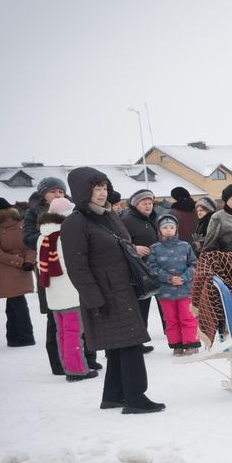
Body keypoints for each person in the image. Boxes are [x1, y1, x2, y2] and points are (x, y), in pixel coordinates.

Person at [60, 167, 164, 414]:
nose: (101, 193)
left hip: (122, 288)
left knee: (120, 344)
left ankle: (113, 395)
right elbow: (77, 267)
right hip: (104, 295)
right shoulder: (75, 223)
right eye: (96, 189)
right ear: (82, 192)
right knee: (130, 344)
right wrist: (94, 299)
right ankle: (136, 398)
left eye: (104, 187)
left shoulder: (108, 216)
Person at [23, 176, 85, 374]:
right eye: (53, 191)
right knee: (57, 320)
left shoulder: (72, 210)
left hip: (65, 273)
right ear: (43, 194)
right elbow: (28, 237)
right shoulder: (33, 213)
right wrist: (50, 239)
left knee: (76, 321)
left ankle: (84, 358)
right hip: (50, 270)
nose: (57, 194)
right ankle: (60, 363)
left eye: (60, 191)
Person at [36, 197, 97, 381]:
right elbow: (75, 263)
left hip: (54, 292)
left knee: (62, 332)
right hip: (70, 291)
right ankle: (77, 370)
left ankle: (68, 365)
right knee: (74, 332)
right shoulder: (65, 235)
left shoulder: (43, 235)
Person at [0, 196, 36, 347]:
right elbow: (30, 245)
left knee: (16, 303)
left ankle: (25, 337)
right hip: (23, 267)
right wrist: (27, 261)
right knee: (14, 303)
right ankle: (13, 337)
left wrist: (19, 262)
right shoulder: (21, 222)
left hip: (6, 269)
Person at [146, 214, 200, 355]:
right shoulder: (155, 248)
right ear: (159, 230)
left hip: (185, 290)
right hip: (165, 292)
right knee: (171, 320)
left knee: (187, 317)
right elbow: (152, 268)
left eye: (171, 227)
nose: (168, 229)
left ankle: (191, 344)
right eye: (165, 227)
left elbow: (193, 264)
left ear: (176, 229)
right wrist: (168, 278)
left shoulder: (185, 246)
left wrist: (184, 277)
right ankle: (176, 344)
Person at [122, 189, 163, 352]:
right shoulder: (126, 220)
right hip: (137, 272)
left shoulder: (152, 219)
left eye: (150, 203)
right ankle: (135, 342)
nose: (148, 206)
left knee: (145, 307)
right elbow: (118, 242)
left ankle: (140, 341)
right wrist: (134, 248)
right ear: (135, 204)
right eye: (144, 203)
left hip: (153, 270)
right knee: (138, 308)